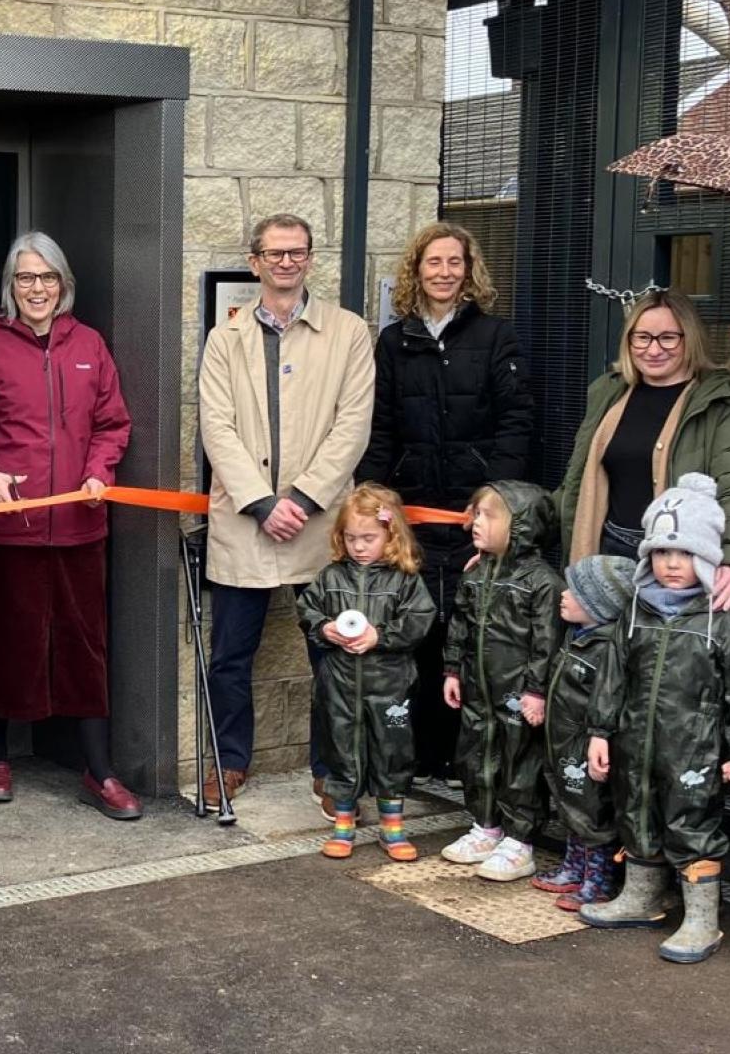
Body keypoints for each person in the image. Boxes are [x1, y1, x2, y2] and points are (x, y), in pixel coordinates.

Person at [0, 231, 138, 819]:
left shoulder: (90, 344)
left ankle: (97, 770)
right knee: (7, 643)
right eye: (26, 278)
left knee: (86, 647)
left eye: (47, 278)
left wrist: (98, 472)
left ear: (63, 285)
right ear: (12, 285)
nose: (37, 288)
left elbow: (112, 424)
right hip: (8, 530)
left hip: (80, 527)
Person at [197, 212, 376, 807]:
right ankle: (230, 764)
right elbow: (216, 429)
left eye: (296, 252)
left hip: (318, 523)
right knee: (229, 659)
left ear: (309, 258)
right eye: (274, 253)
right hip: (246, 522)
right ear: (255, 262)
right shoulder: (225, 339)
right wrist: (262, 503)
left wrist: (299, 499)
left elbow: (352, 426)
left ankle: (330, 770)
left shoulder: (349, 332)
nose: (285, 262)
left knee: (332, 652)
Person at [357, 221, 534, 790]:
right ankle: (418, 756)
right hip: (412, 515)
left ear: (468, 269)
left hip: (470, 514)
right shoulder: (393, 342)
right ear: (417, 270)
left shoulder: (495, 336)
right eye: (433, 262)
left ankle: (463, 761)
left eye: (454, 262)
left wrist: (494, 497)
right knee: (416, 632)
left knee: (468, 631)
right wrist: (373, 494)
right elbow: (381, 427)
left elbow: (515, 421)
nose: (444, 272)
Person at [579, 473, 730, 965]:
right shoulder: (635, 613)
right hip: (636, 744)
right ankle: (643, 896)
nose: (671, 564)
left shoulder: (722, 624)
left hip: (695, 751)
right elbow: (612, 675)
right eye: (661, 553)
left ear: (706, 557)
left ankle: (702, 917)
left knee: (693, 824)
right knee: (636, 812)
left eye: (683, 553)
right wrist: (601, 732)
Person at [556, 288, 730, 611]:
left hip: (677, 564)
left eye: (668, 338)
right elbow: (575, 485)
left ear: (689, 338)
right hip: (606, 554)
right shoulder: (608, 393)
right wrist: (509, 523)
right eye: (642, 338)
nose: (653, 349)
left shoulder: (723, 401)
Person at [293, 483, 436, 860]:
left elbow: (420, 620)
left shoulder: (404, 579)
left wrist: (380, 636)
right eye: (351, 537)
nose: (359, 546)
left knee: (393, 751)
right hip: (339, 683)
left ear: (391, 535)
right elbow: (307, 609)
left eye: (368, 537)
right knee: (340, 749)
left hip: (390, 683)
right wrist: (324, 628)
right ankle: (344, 822)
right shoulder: (331, 576)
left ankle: (393, 825)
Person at [438, 481, 562, 882]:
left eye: (489, 516)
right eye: (476, 514)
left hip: (517, 696)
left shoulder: (542, 582)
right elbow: (459, 624)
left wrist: (537, 690)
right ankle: (486, 826)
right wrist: (453, 670)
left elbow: (547, 642)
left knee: (519, 761)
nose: (475, 522)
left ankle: (520, 841)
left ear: (521, 525)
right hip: (479, 688)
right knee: (475, 756)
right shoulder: (476, 575)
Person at [535, 555, 634, 912]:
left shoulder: (606, 648)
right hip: (565, 741)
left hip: (586, 743)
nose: (563, 595)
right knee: (573, 807)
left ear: (598, 604)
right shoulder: (576, 637)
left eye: (575, 592)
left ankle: (599, 879)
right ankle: (574, 867)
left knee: (593, 812)